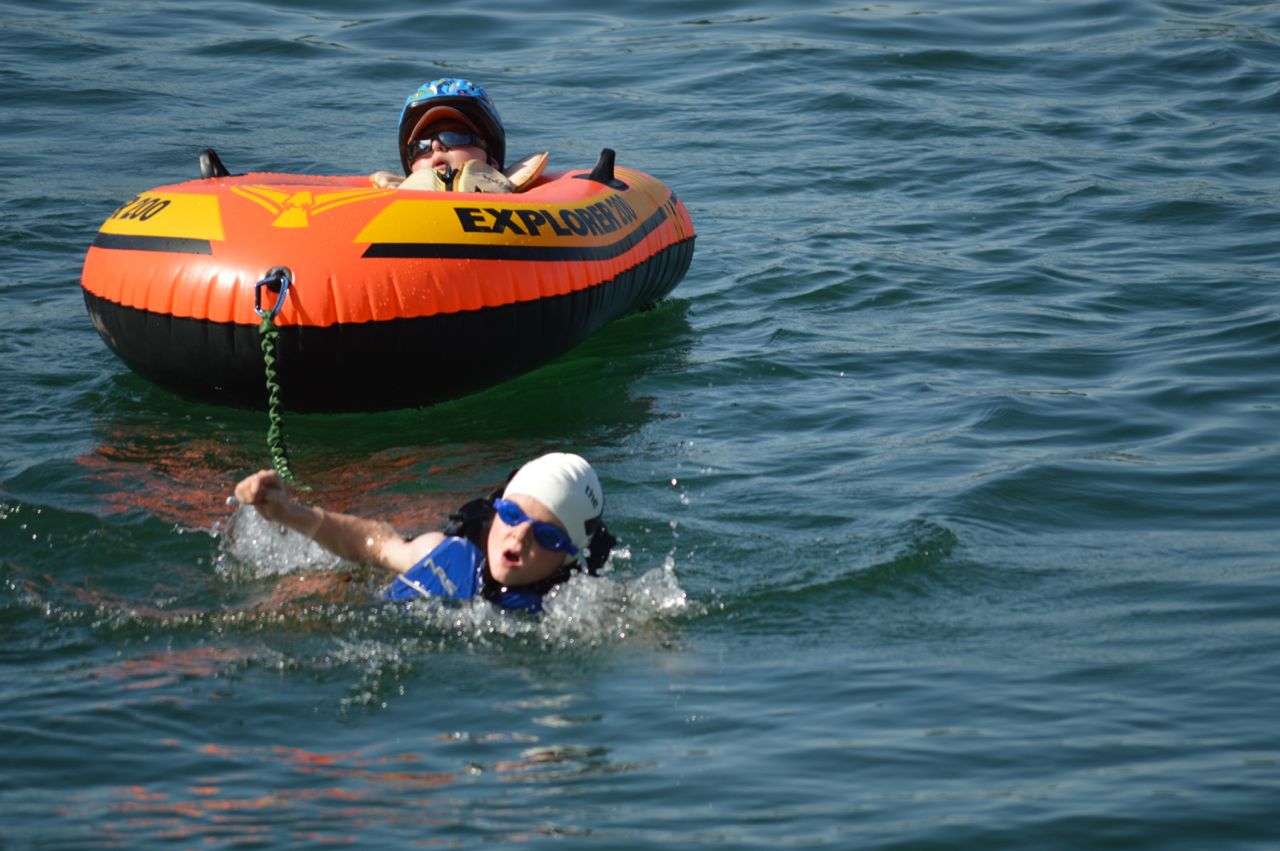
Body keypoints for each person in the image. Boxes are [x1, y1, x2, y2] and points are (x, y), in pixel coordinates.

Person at [232, 452, 614, 614]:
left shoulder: (571, 608)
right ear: (495, 510)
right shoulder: (446, 552)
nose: (519, 537)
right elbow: (374, 544)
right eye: (512, 514)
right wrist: (289, 512)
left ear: (567, 555)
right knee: (302, 592)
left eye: (547, 536)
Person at [368, 77, 546, 194]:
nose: (436, 146)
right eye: (421, 146)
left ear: (492, 160)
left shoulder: (530, 203)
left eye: (455, 136)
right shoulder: (386, 203)